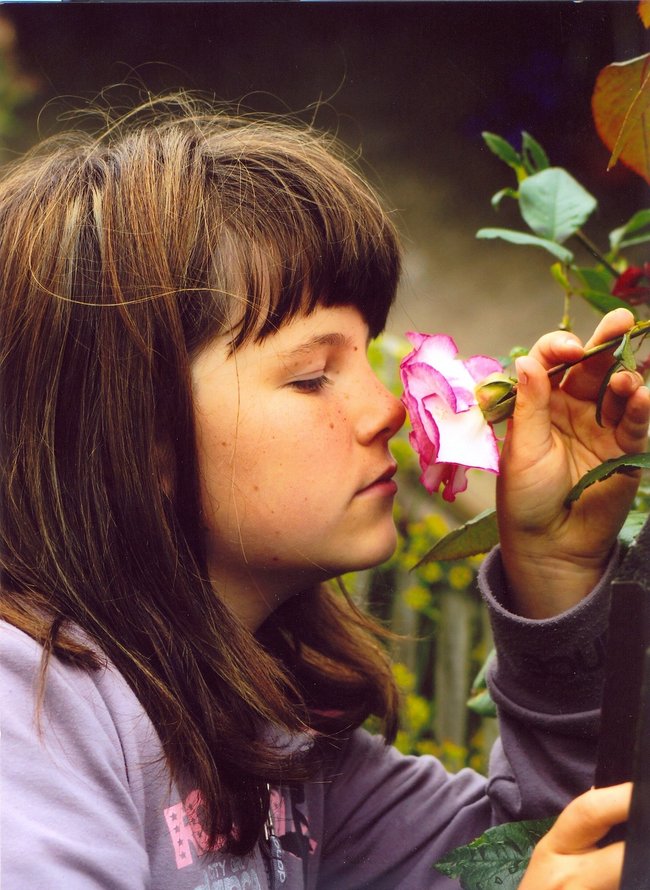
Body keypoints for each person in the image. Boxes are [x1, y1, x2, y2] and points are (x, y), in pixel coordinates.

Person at [0, 93, 647, 890]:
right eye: (312, 377)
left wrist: (556, 582)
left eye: (368, 358)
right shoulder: (26, 710)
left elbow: (526, 858)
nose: (384, 412)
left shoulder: (271, 741)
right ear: (138, 436)